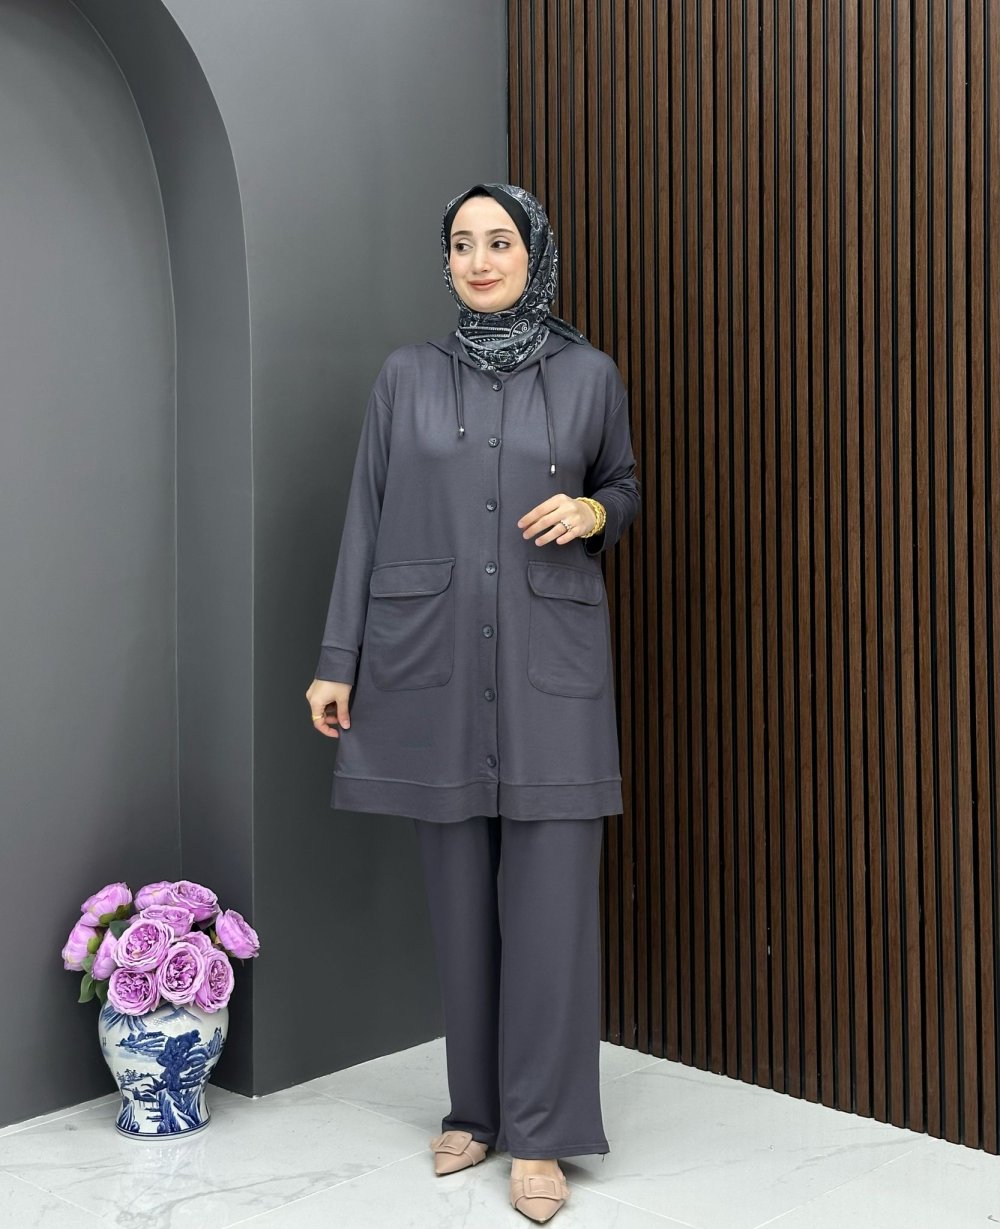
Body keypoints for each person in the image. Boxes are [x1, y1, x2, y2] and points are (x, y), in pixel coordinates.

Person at [306, 182, 640, 1223]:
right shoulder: (405, 375)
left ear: (534, 255)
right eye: (463, 244)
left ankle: (543, 1132)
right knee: (457, 903)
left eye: (500, 242)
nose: (481, 260)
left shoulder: (589, 374)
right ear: (445, 261)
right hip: (431, 667)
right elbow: (366, 514)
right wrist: (337, 658)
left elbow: (623, 485)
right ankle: (476, 1108)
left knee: (551, 910)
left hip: (551, 671)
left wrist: (592, 509)